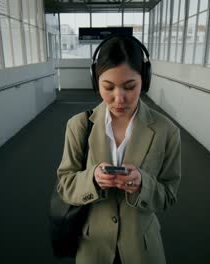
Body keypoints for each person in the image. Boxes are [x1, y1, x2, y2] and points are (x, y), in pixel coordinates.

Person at [56, 35, 181, 264]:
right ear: (95, 82)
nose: (118, 98)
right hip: (92, 248)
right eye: (108, 87)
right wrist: (92, 179)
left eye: (130, 86)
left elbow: (169, 196)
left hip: (142, 250)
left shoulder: (167, 131)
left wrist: (143, 183)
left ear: (145, 80)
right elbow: (65, 186)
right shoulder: (78, 126)